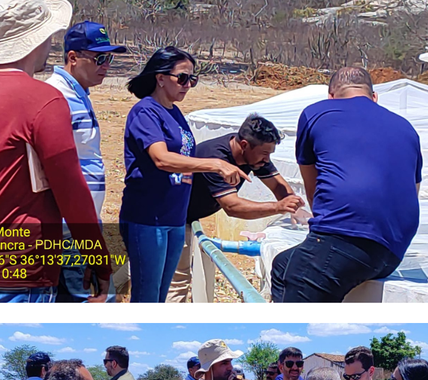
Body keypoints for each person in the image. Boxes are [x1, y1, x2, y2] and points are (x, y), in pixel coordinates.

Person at [0, 0, 111, 303]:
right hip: (24, 269)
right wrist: (99, 258)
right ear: (39, 40)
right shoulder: (45, 99)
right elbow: (71, 191)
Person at [271, 67, 423, 302]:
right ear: (374, 97)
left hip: (345, 238)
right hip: (393, 252)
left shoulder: (316, 113)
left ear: (330, 96)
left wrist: (321, 236)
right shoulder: (407, 128)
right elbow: (413, 190)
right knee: (283, 263)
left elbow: (313, 188)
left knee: (295, 275)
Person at [120, 47, 244, 302]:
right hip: (147, 218)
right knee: (146, 297)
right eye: (183, 78)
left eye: (193, 79)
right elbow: (162, 159)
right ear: (160, 77)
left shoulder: (175, 112)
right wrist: (215, 164)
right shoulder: (146, 111)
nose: (188, 85)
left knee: (160, 296)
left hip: (174, 218)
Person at [168, 115, 304, 302]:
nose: (267, 159)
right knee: (178, 281)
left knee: (143, 268)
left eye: (270, 154)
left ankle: (113, 293)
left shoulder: (255, 155)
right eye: (265, 153)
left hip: (186, 216)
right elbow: (232, 207)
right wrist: (278, 207)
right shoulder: (215, 156)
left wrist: (294, 207)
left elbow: (279, 186)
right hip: (171, 218)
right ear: (244, 144)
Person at [45, 21, 125, 302]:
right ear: (72, 57)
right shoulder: (57, 96)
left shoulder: (77, 94)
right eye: (99, 58)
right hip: (71, 226)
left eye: (110, 58)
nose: (106, 65)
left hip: (85, 222)